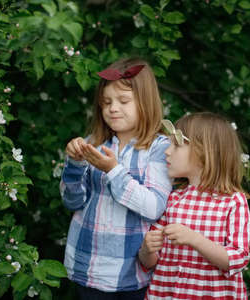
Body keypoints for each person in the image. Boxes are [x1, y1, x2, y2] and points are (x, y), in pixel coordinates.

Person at [60, 57, 172, 299]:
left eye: (123, 101)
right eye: (106, 102)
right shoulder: (92, 144)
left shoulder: (158, 148)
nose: (112, 108)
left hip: (130, 273)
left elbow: (153, 206)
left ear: (146, 103)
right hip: (86, 265)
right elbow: (72, 202)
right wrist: (75, 164)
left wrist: (114, 170)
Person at [139, 112, 250, 300]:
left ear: (203, 151)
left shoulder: (233, 201)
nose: (167, 151)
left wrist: (194, 239)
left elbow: (237, 259)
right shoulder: (173, 199)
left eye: (176, 145)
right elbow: (151, 262)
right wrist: (147, 249)